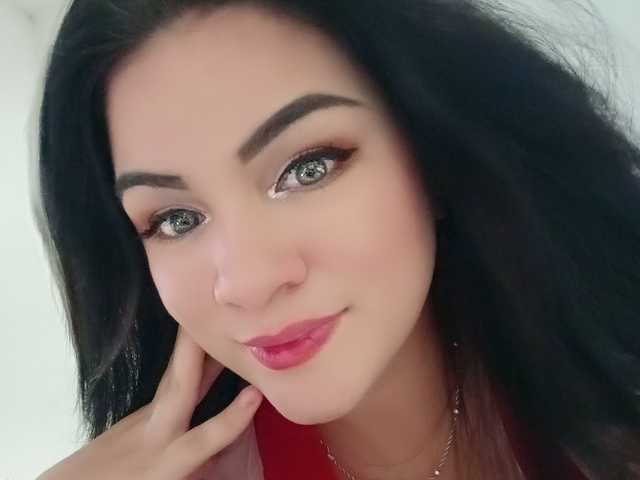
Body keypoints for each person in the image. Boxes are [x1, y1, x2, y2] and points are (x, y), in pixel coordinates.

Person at [34, 0, 640, 479]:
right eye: (176, 220)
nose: (247, 283)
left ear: (432, 156)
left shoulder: (606, 388)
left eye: (308, 168)